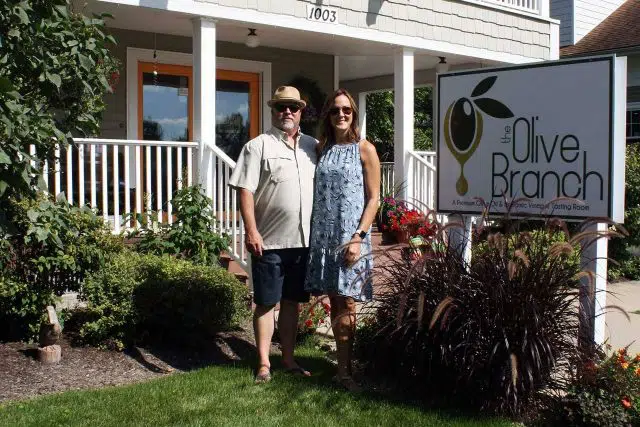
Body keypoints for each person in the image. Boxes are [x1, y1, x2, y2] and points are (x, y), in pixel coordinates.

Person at [229, 86, 318, 383]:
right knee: (266, 302)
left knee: (292, 302)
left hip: (303, 242)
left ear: (301, 110)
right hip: (268, 241)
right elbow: (245, 190)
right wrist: (251, 231)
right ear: (273, 110)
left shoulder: (312, 146)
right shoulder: (258, 146)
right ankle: (265, 363)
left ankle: (289, 360)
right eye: (281, 107)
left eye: (293, 106)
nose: (287, 112)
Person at [304, 88, 381, 390]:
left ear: (353, 114)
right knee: (336, 303)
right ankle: (341, 367)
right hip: (324, 237)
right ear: (328, 115)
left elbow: (374, 198)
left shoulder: (365, 149)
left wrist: (358, 237)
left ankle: (347, 372)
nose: (341, 115)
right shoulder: (323, 149)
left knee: (348, 303)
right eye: (335, 110)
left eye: (346, 110)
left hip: (351, 237)